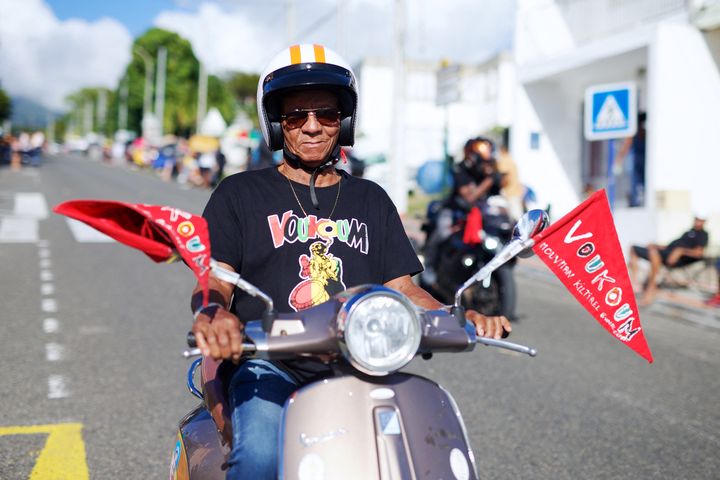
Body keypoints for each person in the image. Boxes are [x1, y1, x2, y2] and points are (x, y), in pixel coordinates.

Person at [189, 44, 512, 479]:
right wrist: (213, 313)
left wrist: (461, 316)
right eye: (295, 116)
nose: (311, 127)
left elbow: (403, 288)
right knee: (260, 460)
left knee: (424, 458)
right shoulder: (238, 194)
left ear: (342, 121)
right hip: (269, 364)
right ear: (276, 124)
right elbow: (217, 278)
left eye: (324, 114)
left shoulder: (370, 198)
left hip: (362, 366)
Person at [628, 214, 709, 306]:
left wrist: (681, 251)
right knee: (633, 248)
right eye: (696, 220)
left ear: (704, 222)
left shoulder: (703, 235)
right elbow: (669, 246)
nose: (697, 222)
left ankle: (651, 286)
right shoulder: (688, 232)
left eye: (700, 220)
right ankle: (634, 283)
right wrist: (657, 245)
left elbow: (699, 253)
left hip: (675, 259)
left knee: (654, 253)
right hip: (666, 253)